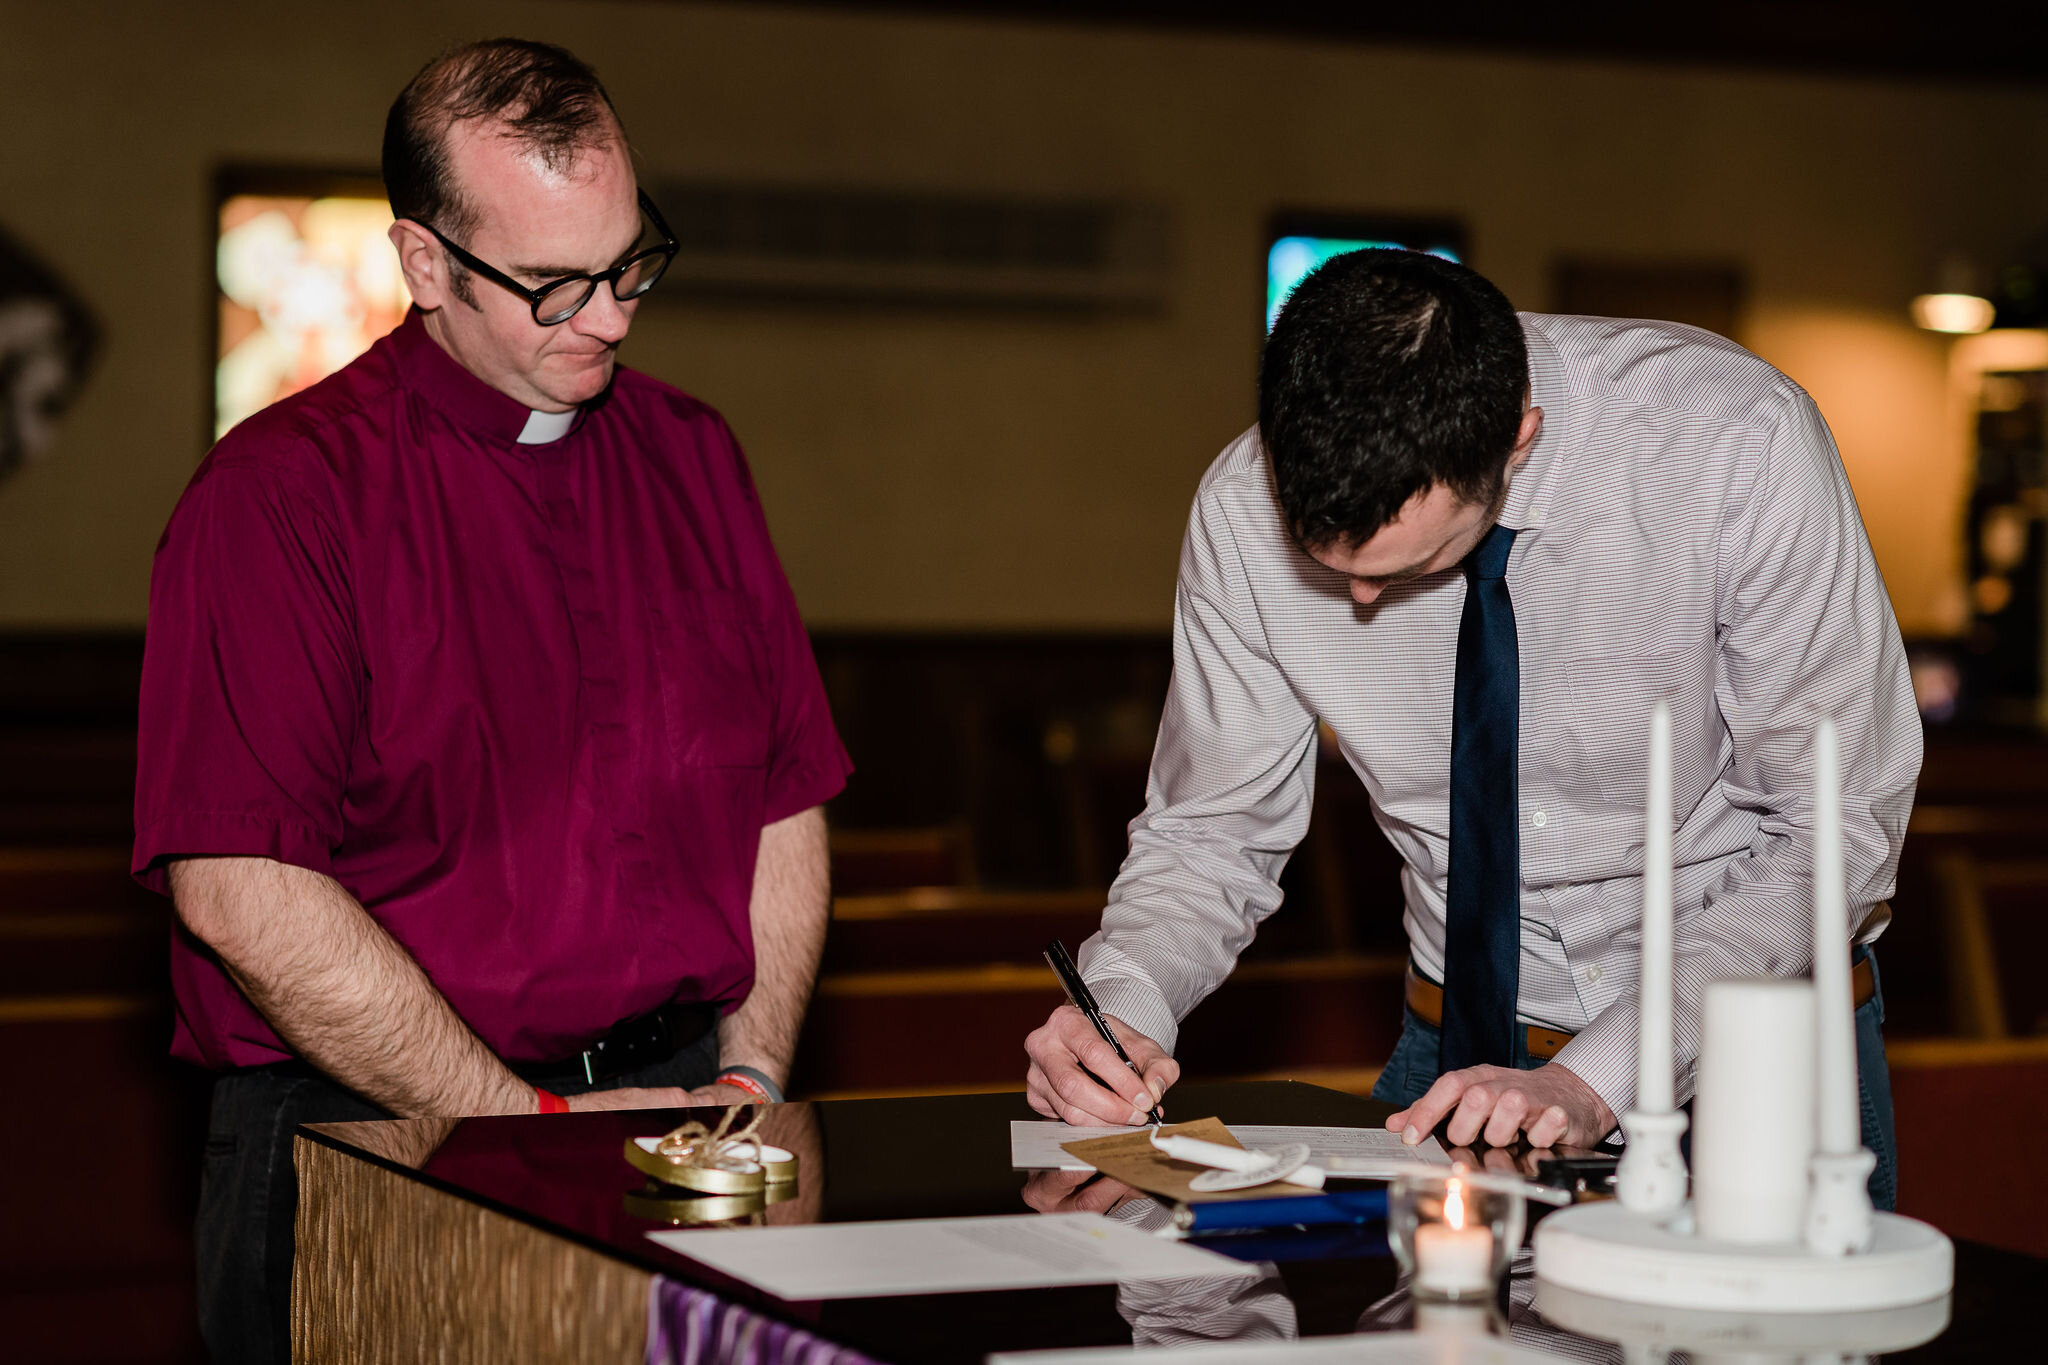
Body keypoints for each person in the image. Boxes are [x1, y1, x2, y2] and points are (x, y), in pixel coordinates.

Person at [132, 39, 849, 1364]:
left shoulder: (694, 458)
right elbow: (239, 890)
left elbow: (784, 802)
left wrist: (748, 1078)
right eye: (555, 284)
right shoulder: (279, 499)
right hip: (374, 1147)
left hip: (681, 1123)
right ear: (424, 265)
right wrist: (513, 1125)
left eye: (632, 261)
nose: (615, 315)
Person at [1023, 249, 1917, 1203]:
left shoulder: (1733, 439)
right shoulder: (1241, 507)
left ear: (1518, 440)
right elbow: (1211, 830)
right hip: (1451, 1059)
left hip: (1758, 1057)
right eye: (1326, 562)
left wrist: (1593, 1078)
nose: (1361, 596)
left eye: (1410, 565)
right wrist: (1124, 1003)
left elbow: (1829, 834)